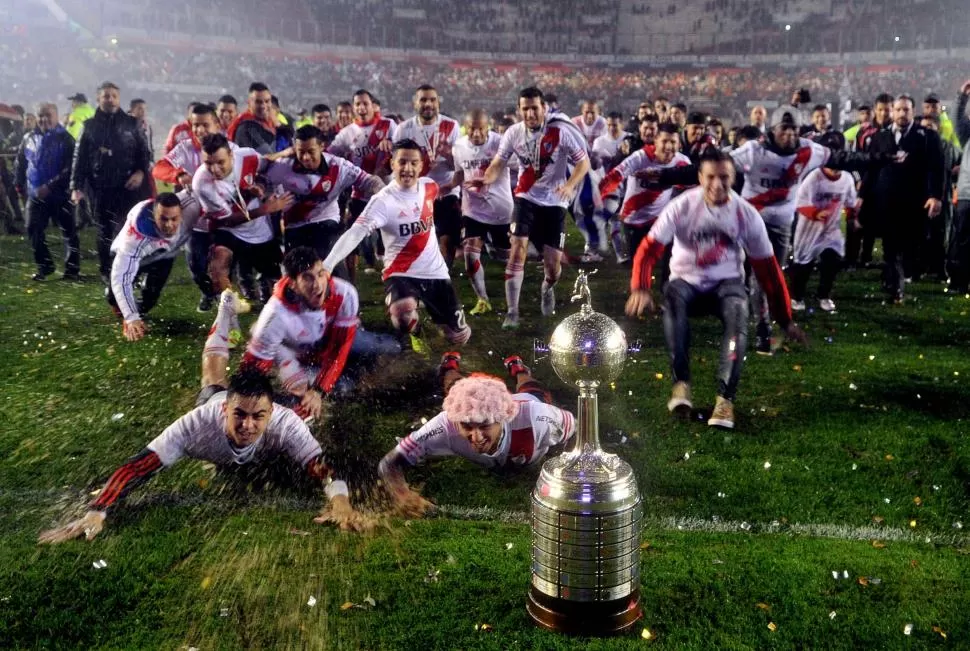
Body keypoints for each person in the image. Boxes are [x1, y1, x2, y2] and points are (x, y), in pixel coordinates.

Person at [37, 369, 372, 544]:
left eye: (258, 417)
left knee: (307, 424)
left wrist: (341, 503)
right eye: (239, 414)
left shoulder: (285, 423)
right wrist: (97, 511)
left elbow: (322, 467)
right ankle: (223, 316)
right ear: (227, 410)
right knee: (211, 378)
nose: (247, 425)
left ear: (271, 413)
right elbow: (138, 467)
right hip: (212, 399)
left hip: (276, 429)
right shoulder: (196, 425)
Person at [625, 149, 805, 430]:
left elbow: (768, 270)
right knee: (672, 299)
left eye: (724, 178)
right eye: (711, 177)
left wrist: (784, 318)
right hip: (686, 281)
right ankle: (681, 385)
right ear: (700, 178)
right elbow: (649, 249)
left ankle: (725, 400)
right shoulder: (682, 206)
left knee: (738, 314)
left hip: (726, 284)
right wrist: (640, 287)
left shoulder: (746, 214)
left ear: (733, 178)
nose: (717, 185)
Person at [377, 352, 575, 517]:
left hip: (528, 400)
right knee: (457, 390)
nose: (477, 437)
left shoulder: (537, 417)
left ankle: (519, 369)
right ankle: (449, 366)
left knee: (531, 388)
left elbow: (575, 428)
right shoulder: (446, 423)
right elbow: (390, 463)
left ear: (503, 417)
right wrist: (403, 495)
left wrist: (565, 469)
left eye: (484, 425)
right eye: (467, 426)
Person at [322, 139, 471, 351]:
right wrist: (328, 265)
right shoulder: (383, 201)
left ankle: (444, 334)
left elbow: (437, 198)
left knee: (459, 336)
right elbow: (355, 233)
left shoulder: (430, 186)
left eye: (413, 163)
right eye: (402, 162)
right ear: (392, 163)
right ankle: (416, 332)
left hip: (435, 273)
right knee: (403, 313)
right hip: (400, 272)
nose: (407, 169)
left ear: (421, 166)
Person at [218, 247, 395, 420]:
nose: (318, 284)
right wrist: (239, 402)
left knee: (391, 347)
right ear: (293, 284)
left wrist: (319, 389)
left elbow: (341, 346)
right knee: (342, 387)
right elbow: (252, 370)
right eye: (307, 278)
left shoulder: (344, 293)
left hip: (333, 343)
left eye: (320, 274)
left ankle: (355, 367)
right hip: (302, 358)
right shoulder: (275, 315)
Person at [477, 87, 591, 329]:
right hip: (525, 198)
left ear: (544, 108)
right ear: (519, 110)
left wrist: (570, 186)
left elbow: (583, 162)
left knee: (553, 268)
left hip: (555, 203)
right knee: (517, 250)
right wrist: (486, 178)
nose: (529, 113)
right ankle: (512, 312)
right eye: (525, 108)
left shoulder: (560, 132)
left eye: (534, 108)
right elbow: (499, 162)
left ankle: (548, 287)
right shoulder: (513, 133)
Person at [264, 125, 384, 278]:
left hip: (326, 220)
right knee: (296, 273)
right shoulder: (282, 166)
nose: (306, 157)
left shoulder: (338, 166)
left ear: (322, 146)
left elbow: (368, 181)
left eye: (310, 151)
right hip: (295, 225)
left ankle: (344, 294)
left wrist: (385, 192)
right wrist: (263, 192)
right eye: (301, 152)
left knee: (330, 259)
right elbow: (260, 169)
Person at [192, 133, 293, 299]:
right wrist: (267, 208)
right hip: (228, 230)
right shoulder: (201, 183)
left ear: (231, 155)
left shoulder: (247, 156)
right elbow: (228, 220)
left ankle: (278, 306)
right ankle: (226, 312)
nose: (215, 169)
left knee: (279, 279)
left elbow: (265, 170)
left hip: (258, 230)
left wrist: (259, 185)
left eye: (220, 162)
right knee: (218, 267)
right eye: (208, 163)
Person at [70, 81, 152, 284]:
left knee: (131, 229)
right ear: (98, 98)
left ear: (119, 98)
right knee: (104, 230)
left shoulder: (132, 124)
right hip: (100, 187)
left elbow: (146, 153)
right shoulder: (89, 126)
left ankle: (134, 269)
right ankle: (107, 270)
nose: (110, 99)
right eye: (106, 96)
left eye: (114, 95)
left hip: (129, 187)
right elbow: (79, 158)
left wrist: (141, 172)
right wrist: (76, 186)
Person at [863, 95, 944, 302]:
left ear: (913, 111)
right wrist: (862, 195)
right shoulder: (880, 136)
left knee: (910, 244)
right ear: (892, 111)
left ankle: (899, 277)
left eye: (906, 110)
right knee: (889, 245)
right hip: (885, 201)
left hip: (914, 202)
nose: (901, 114)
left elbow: (936, 168)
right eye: (898, 110)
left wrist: (935, 196)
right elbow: (871, 169)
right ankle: (895, 287)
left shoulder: (926, 136)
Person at [152, 103, 226, 311]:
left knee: (224, 263)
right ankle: (207, 292)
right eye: (195, 125)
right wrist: (178, 174)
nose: (200, 130)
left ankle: (229, 299)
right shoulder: (185, 147)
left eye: (205, 125)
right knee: (196, 265)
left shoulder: (229, 147)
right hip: (196, 221)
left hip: (225, 220)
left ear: (216, 125)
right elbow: (159, 167)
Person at [444, 109, 514, 315]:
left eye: (480, 129)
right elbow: (459, 172)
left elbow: (517, 164)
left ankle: (502, 254)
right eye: (472, 129)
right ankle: (482, 300)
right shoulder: (459, 147)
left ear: (488, 127)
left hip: (500, 208)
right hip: (472, 208)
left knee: (506, 255)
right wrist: (449, 186)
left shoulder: (501, 143)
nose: (476, 134)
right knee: (470, 252)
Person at [106, 192, 197, 342]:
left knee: (150, 297)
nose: (169, 225)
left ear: (181, 213)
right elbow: (121, 278)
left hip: (165, 256)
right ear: (153, 216)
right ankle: (123, 310)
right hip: (139, 254)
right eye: (163, 219)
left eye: (174, 219)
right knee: (113, 295)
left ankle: (139, 312)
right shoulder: (134, 238)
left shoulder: (192, 207)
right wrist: (130, 317)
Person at [599, 123, 690, 270]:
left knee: (671, 262)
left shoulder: (683, 162)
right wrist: (597, 199)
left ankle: (667, 287)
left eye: (673, 142)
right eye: (664, 141)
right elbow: (615, 176)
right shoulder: (641, 157)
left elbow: (692, 188)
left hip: (661, 220)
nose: (668, 146)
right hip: (633, 220)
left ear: (679, 144)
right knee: (639, 264)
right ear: (656, 141)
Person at [327, 89, 396, 282]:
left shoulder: (388, 125)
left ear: (373, 106)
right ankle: (351, 282)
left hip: (387, 191)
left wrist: (391, 144)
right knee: (352, 236)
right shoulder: (347, 133)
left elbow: (403, 147)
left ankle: (397, 279)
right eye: (357, 104)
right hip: (359, 193)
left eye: (365, 103)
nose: (361, 107)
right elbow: (329, 155)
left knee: (392, 239)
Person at [393, 85, 462, 267]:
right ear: (415, 103)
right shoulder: (404, 129)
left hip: (446, 191)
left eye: (432, 99)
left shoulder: (451, 125)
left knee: (447, 240)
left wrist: (448, 154)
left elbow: (460, 165)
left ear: (438, 102)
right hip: (417, 193)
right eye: (423, 100)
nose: (428, 104)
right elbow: (397, 165)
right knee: (419, 242)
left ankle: (444, 277)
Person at [15, 103, 79, 281]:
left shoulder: (66, 139)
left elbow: (70, 168)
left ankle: (72, 269)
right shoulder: (28, 138)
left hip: (61, 194)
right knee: (33, 228)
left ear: (56, 116)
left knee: (68, 232)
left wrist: (50, 186)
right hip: (35, 194)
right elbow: (21, 163)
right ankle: (45, 266)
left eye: (48, 115)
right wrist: (19, 185)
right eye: (41, 116)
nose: (44, 119)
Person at [790, 167, 860, 312]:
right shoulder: (814, 178)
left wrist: (853, 218)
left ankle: (824, 295)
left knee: (832, 261)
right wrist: (815, 213)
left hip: (831, 230)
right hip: (809, 230)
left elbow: (850, 202)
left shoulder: (846, 179)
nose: (834, 171)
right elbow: (799, 202)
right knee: (804, 265)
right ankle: (797, 297)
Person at [920, 113, 960, 280]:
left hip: (944, 196)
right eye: (924, 127)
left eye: (930, 127)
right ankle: (921, 266)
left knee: (941, 233)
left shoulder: (949, 147)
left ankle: (940, 268)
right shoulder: (917, 145)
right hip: (920, 196)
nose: (927, 130)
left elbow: (959, 166)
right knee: (922, 233)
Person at [591, 111, 631, 263]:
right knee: (612, 219)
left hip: (628, 186)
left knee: (623, 221)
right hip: (609, 186)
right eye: (609, 125)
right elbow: (595, 165)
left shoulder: (629, 138)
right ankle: (619, 255)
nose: (611, 128)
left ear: (622, 123)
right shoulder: (600, 142)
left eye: (615, 125)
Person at [948, 80, 970, 294]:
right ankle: (959, 282)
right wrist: (962, 96)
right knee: (962, 241)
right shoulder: (968, 136)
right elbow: (957, 120)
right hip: (967, 196)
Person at [228, 82, 276, 155]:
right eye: (258, 102)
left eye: (267, 101)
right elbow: (269, 156)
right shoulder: (246, 127)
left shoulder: (271, 123)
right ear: (249, 103)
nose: (263, 106)